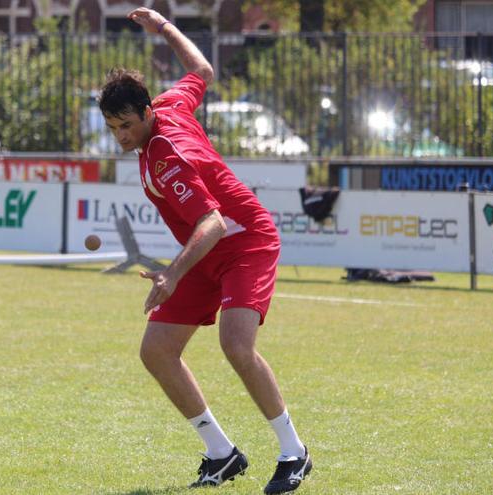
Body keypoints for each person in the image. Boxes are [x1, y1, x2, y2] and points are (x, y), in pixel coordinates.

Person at [98, 8, 312, 494]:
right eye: (113, 128)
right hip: (208, 247)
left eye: (126, 124)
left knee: (236, 346)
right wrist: (165, 28)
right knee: (157, 350)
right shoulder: (170, 104)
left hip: (244, 242)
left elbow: (212, 221)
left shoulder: (166, 153)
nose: (121, 136)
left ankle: (294, 452)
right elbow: (202, 72)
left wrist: (170, 275)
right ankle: (222, 453)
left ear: (146, 111)